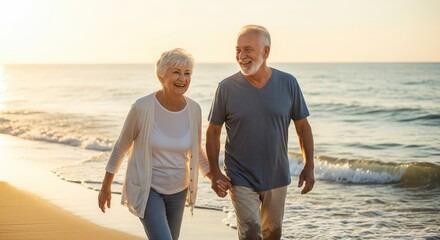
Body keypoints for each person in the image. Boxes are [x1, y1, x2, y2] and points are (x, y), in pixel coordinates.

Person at [206, 25, 315, 240]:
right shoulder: (226, 88)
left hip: (277, 174)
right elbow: (213, 131)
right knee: (250, 233)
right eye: (238, 50)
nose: (241, 56)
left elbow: (302, 127)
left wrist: (309, 164)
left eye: (248, 49)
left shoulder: (288, 83)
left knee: (272, 234)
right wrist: (215, 172)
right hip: (240, 176)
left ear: (266, 52)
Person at [98, 48, 210, 240]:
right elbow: (121, 147)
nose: (183, 78)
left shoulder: (194, 109)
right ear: (161, 75)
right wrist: (106, 186)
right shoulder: (142, 108)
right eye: (176, 72)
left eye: (187, 73)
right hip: (148, 188)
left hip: (179, 190)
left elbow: (197, 149)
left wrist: (214, 176)